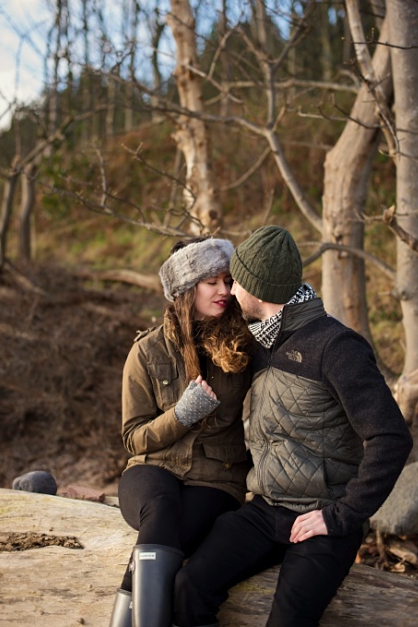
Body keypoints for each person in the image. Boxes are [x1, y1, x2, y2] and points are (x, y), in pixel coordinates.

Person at [173, 225, 413, 627]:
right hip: (266, 509)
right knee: (187, 587)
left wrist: (341, 515)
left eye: (238, 283)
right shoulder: (261, 339)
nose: (230, 292)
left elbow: (391, 437)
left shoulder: (337, 348)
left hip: (324, 518)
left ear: (260, 290)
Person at [110, 236, 253, 627]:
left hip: (215, 481)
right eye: (213, 282)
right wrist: (182, 414)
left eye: (228, 281)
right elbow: (134, 438)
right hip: (151, 471)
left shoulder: (244, 346)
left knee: (169, 526)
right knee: (161, 505)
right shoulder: (147, 351)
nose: (224, 291)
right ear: (186, 290)